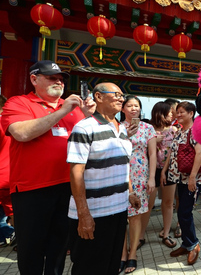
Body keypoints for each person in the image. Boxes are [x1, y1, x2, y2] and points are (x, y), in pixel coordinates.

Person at [1, 60, 95, 274]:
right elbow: (22, 133)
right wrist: (63, 110)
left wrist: (87, 116)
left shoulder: (73, 109)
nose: (59, 82)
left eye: (61, 79)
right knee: (31, 251)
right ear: (34, 79)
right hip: (32, 190)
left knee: (59, 250)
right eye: (52, 78)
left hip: (67, 188)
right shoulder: (19, 103)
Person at [67, 82, 140, 275]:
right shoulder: (84, 128)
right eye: (116, 94)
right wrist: (84, 215)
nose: (121, 98)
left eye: (122, 95)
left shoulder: (122, 129)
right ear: (98, 97)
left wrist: (130, 193)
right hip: (93, 214)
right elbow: (76, 172)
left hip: (118, 210)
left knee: (111, 263)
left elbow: (123, 166)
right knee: (88, 266)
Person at [162, 101, 201, 265]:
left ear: (191, 113)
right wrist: (165, 171)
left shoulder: (196, 132)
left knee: (184, 212)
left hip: (191, 179)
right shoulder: (180, 131)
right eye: (177, 112)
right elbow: (171, 153)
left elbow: (200, 153)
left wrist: (193, 177)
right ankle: (187, 244)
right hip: (179, 178)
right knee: (182, 211)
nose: (177, 115)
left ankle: (193, 244)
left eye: (181, 112)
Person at [120, 95, 156, 274]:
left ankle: (132, 253)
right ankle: (122, 254)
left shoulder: (148, 128)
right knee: (119, 218)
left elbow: (152, 154)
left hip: (140, 176)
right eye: (130, 105)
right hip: (119, 176)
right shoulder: (116, 127)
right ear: (122, 109)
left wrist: (152, 178)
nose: (134, 108)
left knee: (135, 216)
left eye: (137, 106)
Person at [149, 102, 178, 248]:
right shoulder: (148, 129)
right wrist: (154, 141)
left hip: (169, 170)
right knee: (148, 204)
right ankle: (140, 236)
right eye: (169, 112)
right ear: (160, 113)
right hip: (151, 171)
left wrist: (165, 171)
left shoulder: (173, 130)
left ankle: (166, 233)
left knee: (168, 202)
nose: (172, 115)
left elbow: (174, 152)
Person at [0, 95, 15, 248]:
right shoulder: (13, 123)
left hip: (2, 175)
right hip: (13, 173)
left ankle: (14, 235)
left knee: (11, 213)